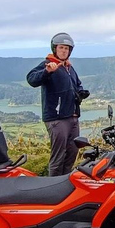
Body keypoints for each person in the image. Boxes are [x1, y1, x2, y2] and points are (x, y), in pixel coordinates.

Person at [26, 32, 89, 176]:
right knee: (58, 156)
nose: (64, 51)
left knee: (72, 153)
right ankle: (53, 186)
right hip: (57, 118)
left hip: (72, 117)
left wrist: (81, 93)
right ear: (55, 48)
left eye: (67, 49)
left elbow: (76, 84)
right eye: (61, 48)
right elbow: (31, 79)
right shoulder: (48, 64)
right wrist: (47, 72)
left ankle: (65, 182)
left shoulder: (68, 67)